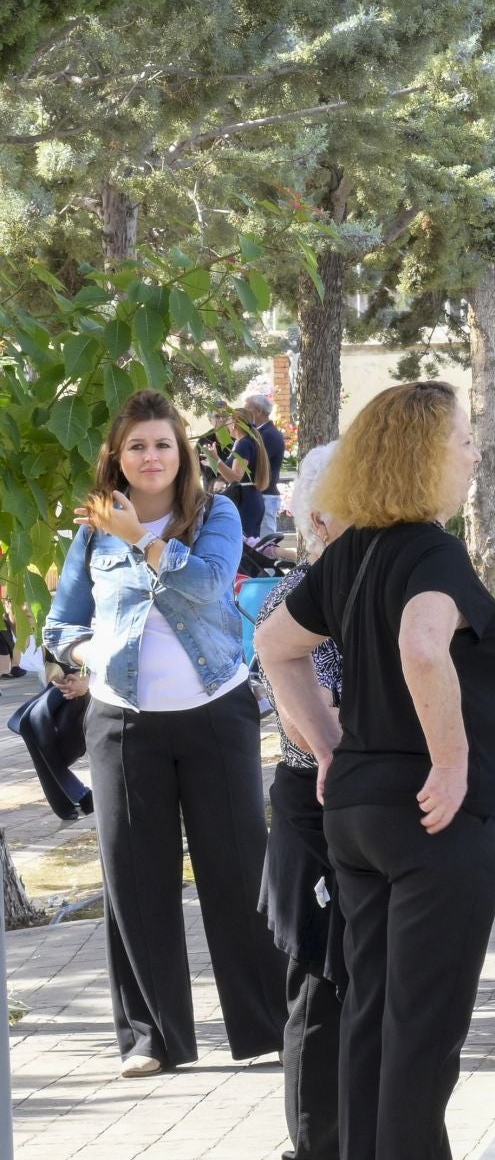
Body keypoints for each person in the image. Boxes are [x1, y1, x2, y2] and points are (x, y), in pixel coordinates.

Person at [258, 381, 495, 1160]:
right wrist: (450, 760)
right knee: (422, 1024)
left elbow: (275, 645)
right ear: (421, 453)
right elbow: (421, 644)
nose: (474, 452)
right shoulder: (432, 554)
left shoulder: (353, 553)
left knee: (371, 1012)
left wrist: (331, 746)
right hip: (433, 816)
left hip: (361, 812)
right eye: (463, 437)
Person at [43, 390, 288, 1077]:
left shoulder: (216, 514)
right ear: (117, 457)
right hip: (122, 720)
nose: (151, 456)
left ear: (182, 453)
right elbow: (61, 627)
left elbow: (208, 586)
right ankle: (151, 1038)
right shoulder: (92, 531)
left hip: (215, 711)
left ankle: (268, 1026)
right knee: (135, 878)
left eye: (162, 444)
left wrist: (141, 539)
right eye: (137, 446)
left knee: (236, 869)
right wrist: (84, 656)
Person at [256, 440, 347, 1160]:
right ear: (320, 518)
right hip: (312, 805)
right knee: (318, 981)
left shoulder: (382, 588)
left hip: (372, 803)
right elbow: (310, 715)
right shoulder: (294, 598)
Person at [6, 655, 91, 821]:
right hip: (62, 678)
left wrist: (87, 678)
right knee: (30, 723)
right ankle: (79, 797)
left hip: (85, 679)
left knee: (35, 724)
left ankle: (78, 797)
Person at [208, 394, 286, 538]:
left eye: (229, 422)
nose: (227, 426)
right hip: (254, 495)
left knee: (254, 544)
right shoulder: (251, 439)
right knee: (255, 543)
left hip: (252, 497)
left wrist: (216, 461)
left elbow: (236, 476)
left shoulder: (252, 440)